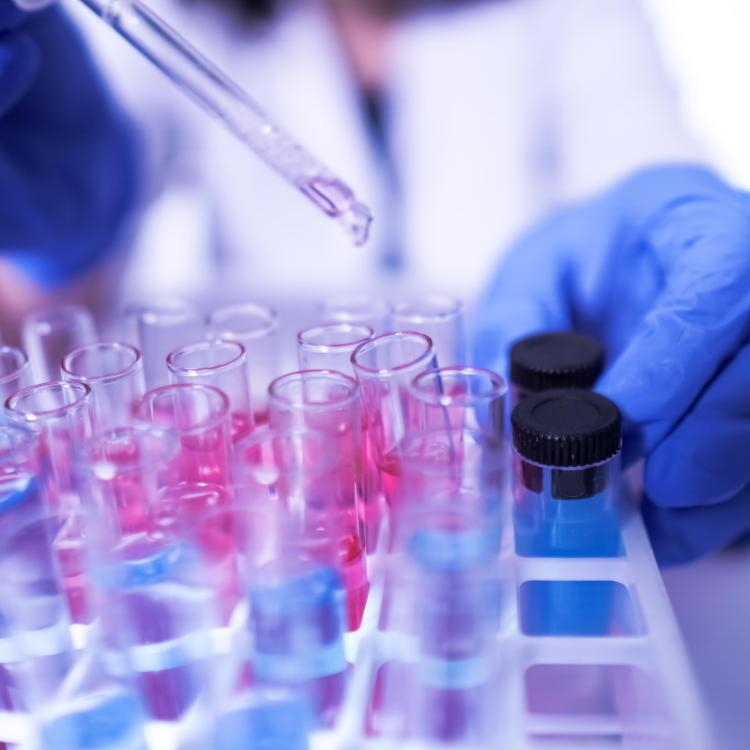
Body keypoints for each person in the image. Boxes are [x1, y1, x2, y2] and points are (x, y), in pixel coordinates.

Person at [0, 0, 749, 563]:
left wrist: (688, 278)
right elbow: (48, 324)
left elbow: (644, 173)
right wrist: (62, 236)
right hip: (285, 519)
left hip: (513, 504)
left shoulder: (572, 13)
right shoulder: (173, 15)